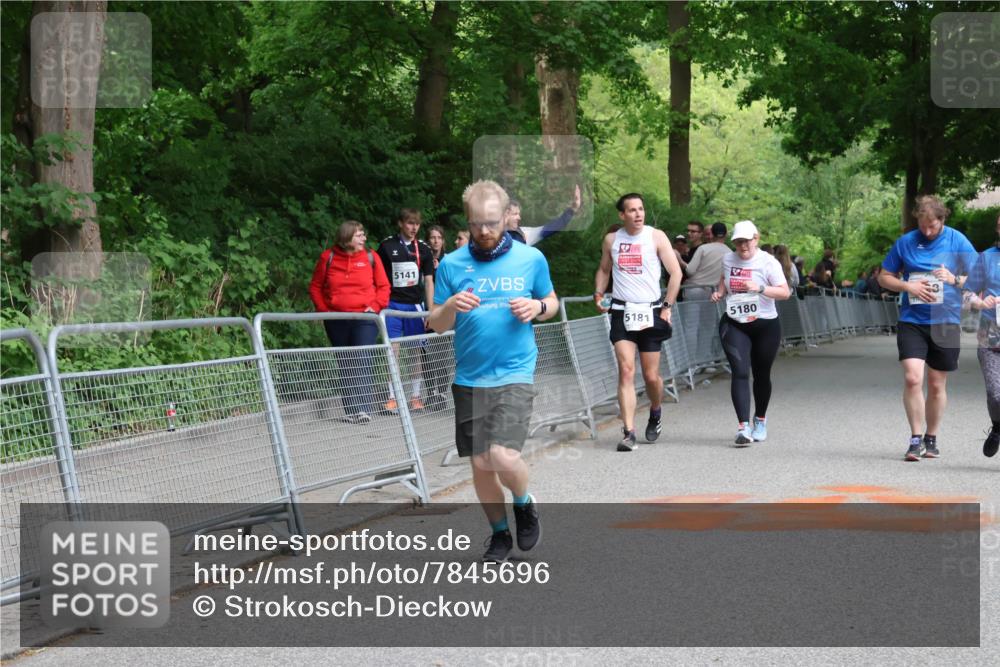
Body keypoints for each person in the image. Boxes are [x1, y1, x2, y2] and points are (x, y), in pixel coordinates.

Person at [428, 179, 558, 562]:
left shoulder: (529, 259)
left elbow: (551, 301)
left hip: (515, 371)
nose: (484, 232)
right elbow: (436, 323)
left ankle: (524, 502)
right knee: (481, 464)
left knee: (501, 456)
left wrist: (538, 309)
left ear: (506, 217)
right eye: (475, 224)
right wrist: (450, 303)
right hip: (469, 375)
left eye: (491, 223)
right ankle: (500, 534)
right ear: (467, 222)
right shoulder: (451, 264)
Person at [877, 195, 976, 461]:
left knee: (935, 383)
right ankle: (915, 438)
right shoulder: (906, 242)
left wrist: (954, 278)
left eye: (932, 225)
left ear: (942, 219)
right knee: (912, 378)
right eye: (922, 225)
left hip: (945, 321)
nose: (927, 231)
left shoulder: (957, 241)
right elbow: (884, 277)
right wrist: (907, 286)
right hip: (912, 320)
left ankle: (931, 437)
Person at [594, 193, 683, 452]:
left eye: (641, 209)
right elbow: (604, 269)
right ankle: (628, 431)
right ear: (622, 215)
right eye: (631, 210)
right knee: (626, 370)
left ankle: (655, 411)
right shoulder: (612, 239)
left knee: (651, 376)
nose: (638, 214)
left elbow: (675, 272)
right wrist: (599, 294)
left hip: (651, 311)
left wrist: (667, 306)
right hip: (622, 311)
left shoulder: (656, 236)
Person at [710, 220, 791, 445]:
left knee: (761, 374)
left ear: (756, 239)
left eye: (746, 241)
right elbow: (724, 280)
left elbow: (785, 293)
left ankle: (760, 420)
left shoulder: (768, 262)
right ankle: (743, 427)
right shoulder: (728, 259)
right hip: (735, 323)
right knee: (740, 371)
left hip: (765, 325)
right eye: (738, 241)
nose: (743, 246)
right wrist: (719, 292)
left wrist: (761, 288)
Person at [308, 221, 390, 424]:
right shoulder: (328, 257)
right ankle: (351, 409)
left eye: (363, 234)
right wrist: (324, 310)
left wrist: (377, 305)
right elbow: (316, 286)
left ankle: (363, 408)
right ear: (347, 238)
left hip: (365, 318)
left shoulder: (371, 257)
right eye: (359, 235)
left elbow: (384, 286)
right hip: (336, 318)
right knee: (345, 361)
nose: (364, 238)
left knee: (361, 357)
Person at [377, 208, 436, 413]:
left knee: (415, 352)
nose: (413, 228)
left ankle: (415, 396)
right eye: (410, 223)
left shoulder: (424, 248)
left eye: (417, 224)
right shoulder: (386, 245)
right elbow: (379, 278)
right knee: (392, 350)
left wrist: (430, 311)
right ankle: (392, 396)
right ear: (401, 223)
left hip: (415, 306)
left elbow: (429, 282)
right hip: (392, 305)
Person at [963, 215, 1000, 457]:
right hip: (991, 337)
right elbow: (966, 294)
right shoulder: (986, 257)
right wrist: (978, 300)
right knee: (996, 394)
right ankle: (998, 426)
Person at [506, 184, 582, 246]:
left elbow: (552, 227)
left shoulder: (522, 234)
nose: (519, 218)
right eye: (515, 214)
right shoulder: (494, 237)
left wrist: (572, 209)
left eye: (518, 214)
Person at [683, 222, 729, 301]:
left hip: (695, 289)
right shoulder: (730, 253)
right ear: (726, 234)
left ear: (712, 234)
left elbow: (690, 271)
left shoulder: (703, 248)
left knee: (692, 313)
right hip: (715, 292)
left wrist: (680, 261)